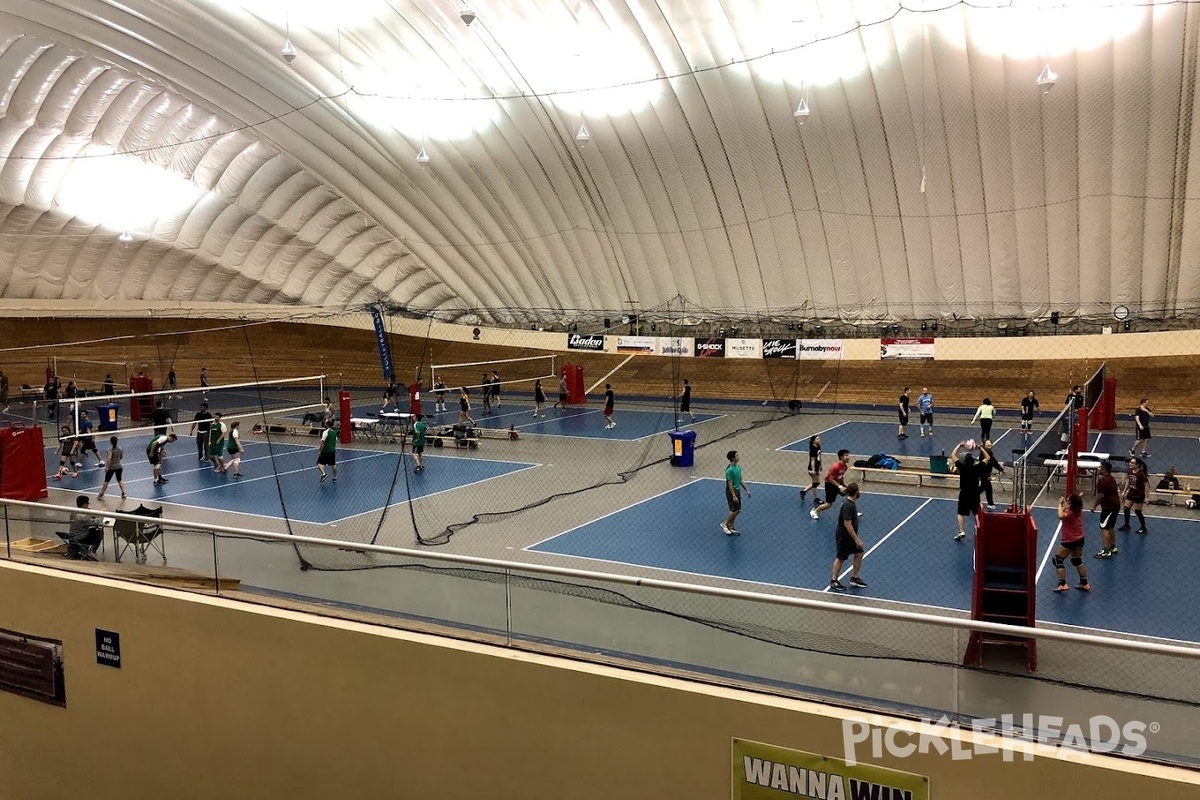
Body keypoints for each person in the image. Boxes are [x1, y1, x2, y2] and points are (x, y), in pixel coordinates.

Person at [829, 483, 867, 591]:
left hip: (850, 536)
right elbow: (847, 523)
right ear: (856, 492)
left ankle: (854, 578)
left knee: (859, 553)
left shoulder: (851, 503)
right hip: (844, 536)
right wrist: (856, 538)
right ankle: (834, 581)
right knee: (841, 558)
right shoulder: (848, 505)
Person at [1052, 494, 1091, 592]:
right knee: (1077, 561)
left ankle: (1062, 584)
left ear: (1071, 503)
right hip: (1080, 539)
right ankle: (1085, 583)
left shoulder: (1069, 513)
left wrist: (1060, 504)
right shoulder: (1078, 510)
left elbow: (1061, 515)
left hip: (1069, 540)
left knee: (1058, 560)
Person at [952, 440, 990, 540]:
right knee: (977, 513)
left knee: (960, 513)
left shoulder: (962, 467)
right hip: (974, 494)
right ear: (973, 461)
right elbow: (987, 458)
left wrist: (960, 445)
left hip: (964, 493)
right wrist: (980, 448)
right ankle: (980, 530)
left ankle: (961, 531)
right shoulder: (977, 468)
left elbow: (953, 455)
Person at [1092, 460, 1121, 558]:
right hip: (1115, 506)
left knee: (1104, 528)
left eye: (1100, 467)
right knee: (1110, 527)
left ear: (1104, 469)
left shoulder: (1103, 480)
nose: (1098, 468)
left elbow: (1100, 496)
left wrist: (1094, 506)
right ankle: (1112, 547)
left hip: (1108, 507)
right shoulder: (1111, 478)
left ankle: (1106, 550)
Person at [811, 449, 851, 520]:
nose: (848, 457)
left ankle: (850, 510)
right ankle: (814, 511)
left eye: (848, 455)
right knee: (829, 504)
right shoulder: (835, 467)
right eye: (846, 455)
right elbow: (830, 479)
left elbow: (841, 476)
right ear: (841, 457)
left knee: (850, 492)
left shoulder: (845, 466)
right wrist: (840, 486)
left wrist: (843, 485)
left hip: (838, 483)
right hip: (830, 484)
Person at [65, 495, 104, 560]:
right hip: (80, 539)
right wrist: (103, 514)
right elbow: (97, 522)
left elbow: (89, 515)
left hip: (72, 538)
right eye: (88, 503)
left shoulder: (73, 513)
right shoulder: (83, 518)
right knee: (98, 532)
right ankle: (92, 550)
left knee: (92, 530)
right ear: (85, 505)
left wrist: (90, 511)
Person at [721, 450, 750, 535]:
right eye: (737, 455)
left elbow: (740, 480)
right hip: (731, 492)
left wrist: (747, 490)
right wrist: (733, 495)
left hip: (737, 491)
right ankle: (725, 524)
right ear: (733, 458)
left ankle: (731, 527)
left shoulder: (738, 467)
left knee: (734, 510)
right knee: (737, 510)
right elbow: (729, 484)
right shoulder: (730, 470)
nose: (739, 456)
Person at [1119, 456, 1149, 535]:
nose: (1130, 464)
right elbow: (1128, 482)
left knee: (1138, 511)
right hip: (1131, 493)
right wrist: (1124, 491)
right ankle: (1126, 525)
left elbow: (1146, 485)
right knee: (1126, 508)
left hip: (1139, 495)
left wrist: (1147, 497)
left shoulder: (1141, 474)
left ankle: (1143, 527)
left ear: (1138, 465)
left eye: (1132, 463)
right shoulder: (1130, 472)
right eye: (1130, 462)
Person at [96, 436, 127, 500]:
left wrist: (106, 467)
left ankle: (101, 494)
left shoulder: (110, 450)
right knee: (120, 480)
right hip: (119, 466)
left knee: (106, 481)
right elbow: (121, 457)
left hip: (112, 467)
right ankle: (124, 493)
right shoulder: (120, 449)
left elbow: (109, 459)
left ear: (111, 442)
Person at [978, 439, 1005, 509]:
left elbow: (994, 462)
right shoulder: (983, 454)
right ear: (984, 445)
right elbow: (992, 462)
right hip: (983, 473)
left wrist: (1001, 469)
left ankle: (990, 503)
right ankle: (972, 498)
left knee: (987, 488)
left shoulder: (990, 452)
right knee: (984, 488)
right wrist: (987, 476)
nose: (989, 444)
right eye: (987, 443)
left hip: (986, 473)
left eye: (990, 443)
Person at [801, 434, 822, 503]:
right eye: (817, 439)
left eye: (819, 438)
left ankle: (804, 491)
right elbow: (812, 460)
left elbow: (819, 457)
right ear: (813, 441)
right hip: (812, 468)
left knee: (816, 483)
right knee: (815, 483)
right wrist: (813, 470)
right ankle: (815, 498)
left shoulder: (818, 446)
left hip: (817, 467)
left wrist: (820, 465)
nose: (819, 440)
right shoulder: (813, 448)